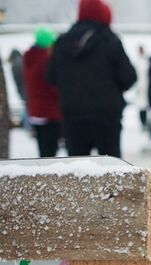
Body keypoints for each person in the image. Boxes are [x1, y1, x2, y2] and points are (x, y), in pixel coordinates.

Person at [45, 0, 136, 158]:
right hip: (106, 117)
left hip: (73, 117)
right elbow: (129, 77)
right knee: (111, 171)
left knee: (78, 171)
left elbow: (50, 77)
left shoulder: (62, 43)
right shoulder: (110, 41)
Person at [22, 28, 62, 157]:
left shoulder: (28, 58)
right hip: (50, 111)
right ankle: (48, 175)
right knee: (50, 151)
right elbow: (52, 85)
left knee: (43, 148)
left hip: (35, 111)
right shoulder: (46, 60)